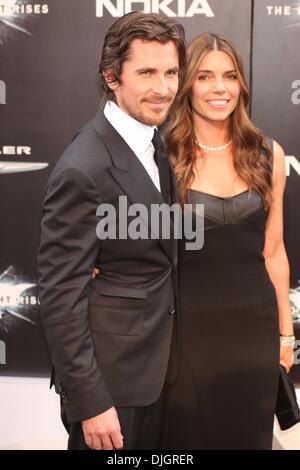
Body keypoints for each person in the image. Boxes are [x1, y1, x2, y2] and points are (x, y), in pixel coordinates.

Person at [37, 11, 186, 451]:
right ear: (111, 76)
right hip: (112, 387)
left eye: (171, 71)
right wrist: (92, 402)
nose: (163, 88)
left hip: (156, 370)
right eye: (146, 72)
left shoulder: (150, 140)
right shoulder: (84, 168)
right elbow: (61, 294)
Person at [160, 32, 294, 450]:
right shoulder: (161, 156)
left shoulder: (267, 154)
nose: (220, 88)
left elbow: (273, 253)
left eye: (230, 76)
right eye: (205, 77)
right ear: (187, 85)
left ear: (241, 85)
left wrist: (285, 337)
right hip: (185, 334)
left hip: (253, 331)